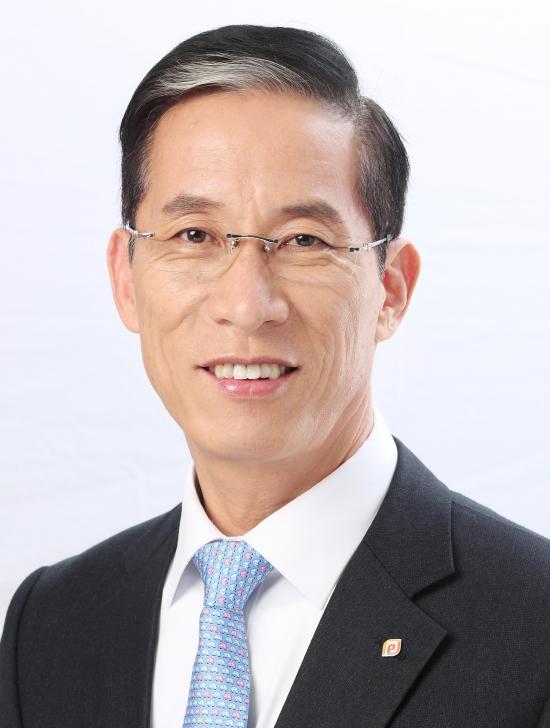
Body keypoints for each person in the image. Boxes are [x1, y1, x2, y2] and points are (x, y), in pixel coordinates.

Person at [1, 23, 549, 728]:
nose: (246, 305)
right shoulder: (51, 624)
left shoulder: (532, 630)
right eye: (194, 235)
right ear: (126, 279)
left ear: (391, 289)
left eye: (303, 241)